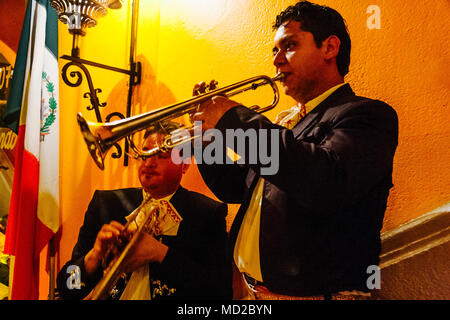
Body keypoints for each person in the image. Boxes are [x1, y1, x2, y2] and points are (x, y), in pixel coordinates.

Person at [193, 1, 398, 299]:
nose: (276, 60)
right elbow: (233, 188)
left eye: (288, 45)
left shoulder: (367, 115)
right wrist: (206, 136)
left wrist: (233, 119)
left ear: (329, 48)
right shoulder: (286, 125)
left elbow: (329, 181)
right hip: (252, 292)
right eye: (274, 50)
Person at [56, 122, 232, 300]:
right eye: (145, 153)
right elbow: (67, 287)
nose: (149, 163)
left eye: (161, 155)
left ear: (185, 164)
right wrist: (92, 258)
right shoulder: (105, 203)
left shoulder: (207, 213)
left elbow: (220, 292)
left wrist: (161, 254)